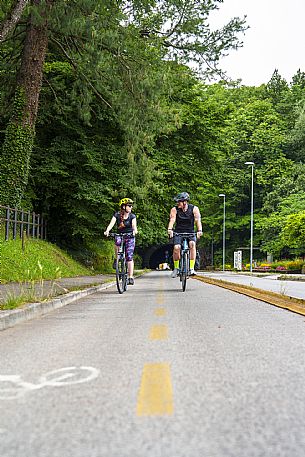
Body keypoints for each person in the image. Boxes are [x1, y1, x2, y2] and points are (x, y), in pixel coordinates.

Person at [167, 192, 202, 277]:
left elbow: (197, 220)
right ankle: (176, 269)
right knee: (176, 247)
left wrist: (199, 230)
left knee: (192, 244)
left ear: (185, 202)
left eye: (179, 202)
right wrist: (170, 229)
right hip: (178, 232)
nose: (177, 203)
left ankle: (191, 268)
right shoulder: (174, 209)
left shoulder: (194, 209)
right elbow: (172, 220)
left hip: (190, 232)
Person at [104, 198, 138, 285]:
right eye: (129, 206)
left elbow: (134, 225)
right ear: (123, 207)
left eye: (131, 206)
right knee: (117, 242)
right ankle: (117, 258)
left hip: (130, 236)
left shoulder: (132, 216)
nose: (131, 207)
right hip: (120, 235)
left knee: (129, 256)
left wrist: (135, 231)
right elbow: (111, 223)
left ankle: (130, 277)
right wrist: (107, 230)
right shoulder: (117, 215)